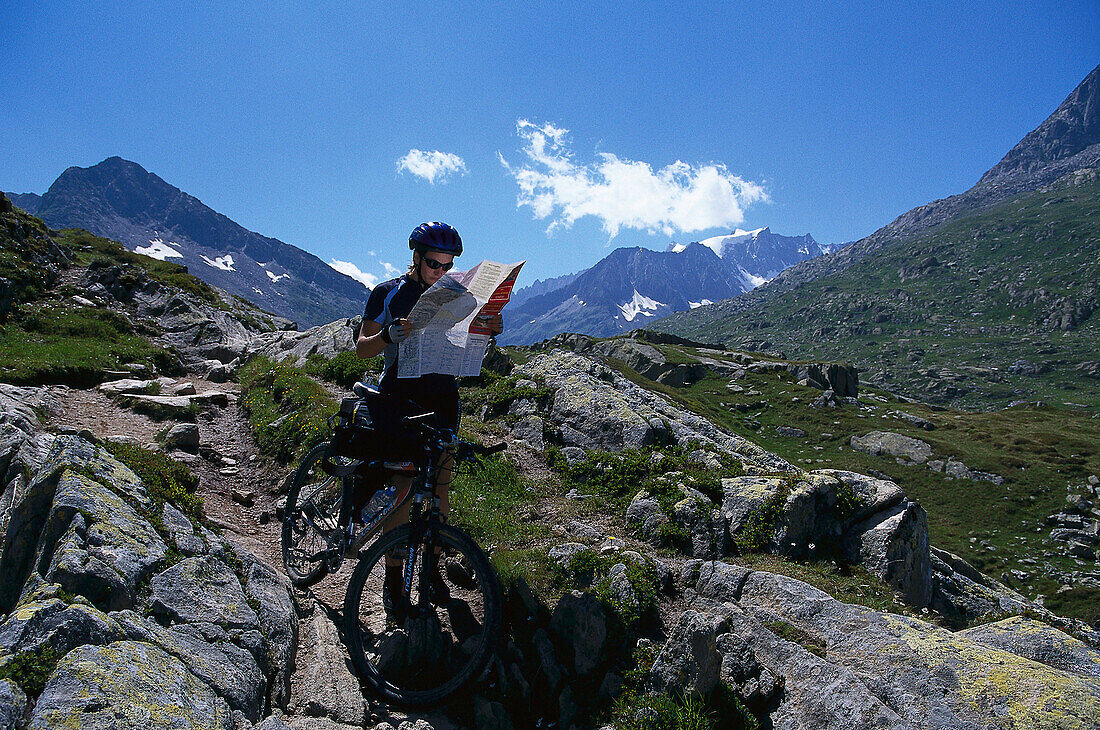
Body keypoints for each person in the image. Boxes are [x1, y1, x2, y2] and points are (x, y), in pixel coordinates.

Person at [356, 221, 502, 616]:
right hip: (401, 397)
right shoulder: (386, 293)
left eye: (448, 265)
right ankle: (392, 579)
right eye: (435, 264)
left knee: (440, 484)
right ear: (417, 258)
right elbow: (361, 351)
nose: (442, 272)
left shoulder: (457, 296)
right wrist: (388, 336)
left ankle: (433, 571)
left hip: (442, 398)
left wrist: (486, 328)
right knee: (404, 482)